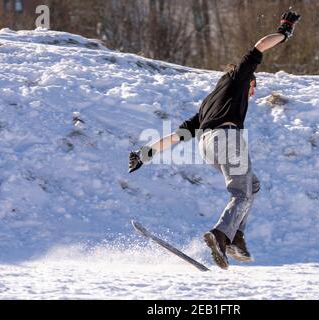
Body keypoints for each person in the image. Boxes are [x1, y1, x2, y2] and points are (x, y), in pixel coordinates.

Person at [129, 11, 301, 269]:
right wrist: (285, 30)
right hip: (227, 139)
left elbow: (176, 136)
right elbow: (260, 46)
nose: (253, 92)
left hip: (207, 146)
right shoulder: (239, 77)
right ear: (247, 80)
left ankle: (235, 236)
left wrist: (145, 153)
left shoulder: (207, 104)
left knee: (251, 186)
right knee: (241, 194)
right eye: (254, 86)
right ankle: (220, 236)